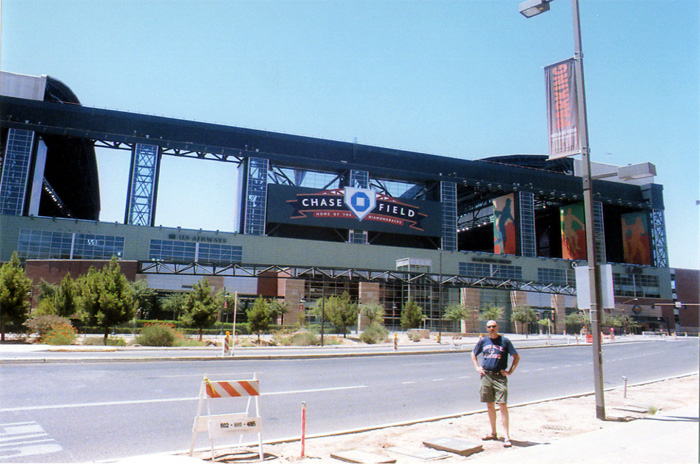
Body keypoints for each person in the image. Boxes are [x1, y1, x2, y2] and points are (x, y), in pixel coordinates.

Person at [471, 320, 520, 447]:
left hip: (499, 377)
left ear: (497, 327)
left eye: (494, 326)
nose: (491, 328)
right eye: (489, 327)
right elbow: (473, 353)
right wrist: (477, 367)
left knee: (502, 405)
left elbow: (516, 357)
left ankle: (507, 437)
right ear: (486, 329)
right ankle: (493, 433)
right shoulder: (483, 341)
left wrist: (510, 371)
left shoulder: (505, 341)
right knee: (490, 405)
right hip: (486, 376)